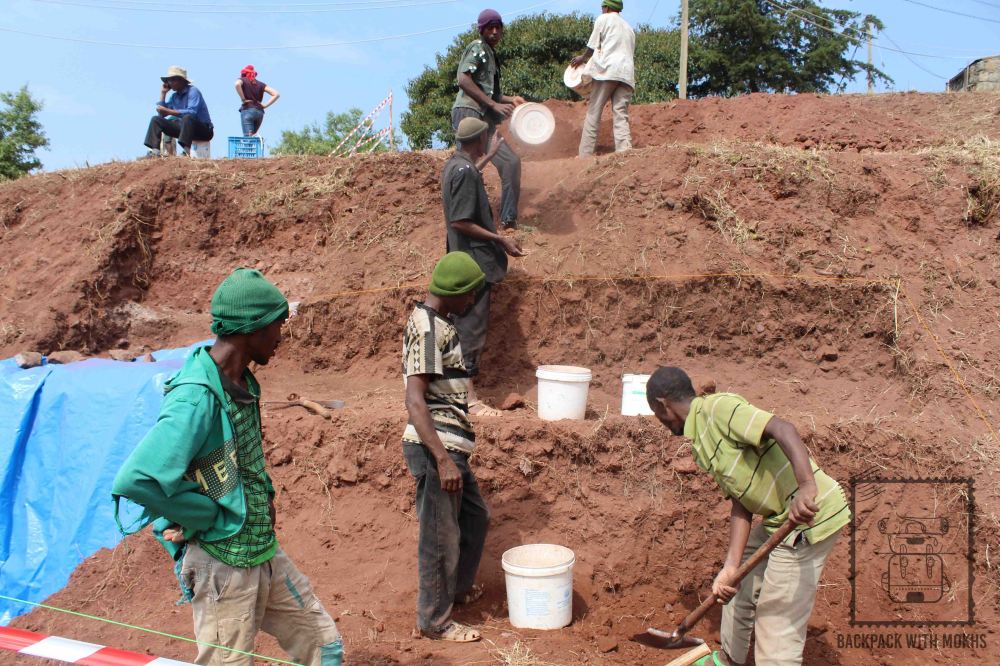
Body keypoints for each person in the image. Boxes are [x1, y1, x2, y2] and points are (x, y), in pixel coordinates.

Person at [111, 268, 343, 666]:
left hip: (260, 549)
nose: (281, 338)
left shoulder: (242, 384)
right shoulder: (196, 398)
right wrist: (205, 515)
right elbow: (136, 479)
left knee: (324, 647)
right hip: (222, 563)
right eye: (277, 326)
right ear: (252, 329)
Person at [645, 367, 850, 666]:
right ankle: (729, 659)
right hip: (778, 519)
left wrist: (807, 486)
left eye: (656, 413)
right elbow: (741, 501)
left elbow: (783, 429)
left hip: (808, 518)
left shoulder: (719, 408)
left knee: (775, 616)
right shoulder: (701, 441)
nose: (659, 422)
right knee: (736, 587)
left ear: (663, 405)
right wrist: (730, 567)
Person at [402, 252, 493, 642]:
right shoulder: (427, 329)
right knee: (439, 537)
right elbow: (415, 400)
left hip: (450, 446)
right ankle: (435, 621)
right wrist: (441, 459)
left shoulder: (439, 323)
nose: (472, 303)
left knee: (475, 518)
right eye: (470, 295)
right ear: (455, 292)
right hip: (437, 448)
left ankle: (454, 592)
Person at [442, 116, 525, 416]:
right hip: (473, 264)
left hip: (462, 260)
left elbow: (468, 179)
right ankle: (468, 399)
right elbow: (460, 221)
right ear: (478, 139)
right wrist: (500, 240)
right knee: (470, 331)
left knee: (463, 329)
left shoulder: (455, 166)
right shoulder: (463, 171)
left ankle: (459, 394)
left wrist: (488, 156)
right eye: (485, 139)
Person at [452, 8, 526, 229]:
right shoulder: (477, 48)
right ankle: (462, 217)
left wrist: (512, 99)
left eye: (498, 27)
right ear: (482, 30)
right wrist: (494, 104)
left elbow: (492, 95)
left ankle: (508, 219)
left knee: (511, 162)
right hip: (468, 112)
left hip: (484, 118)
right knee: (467, 166)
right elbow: (463, 79)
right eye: (490, 28)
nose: (495, 31)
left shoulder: (491, 56)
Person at [571, 0, 635, 156]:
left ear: (607, 7)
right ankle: (624, 152)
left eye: (602, 7)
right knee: (620, 113)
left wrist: (582, 58)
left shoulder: (603, 19)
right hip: (626, 74)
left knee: (594, 111)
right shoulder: (629, 28)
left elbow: (592, 46)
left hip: (608, 71)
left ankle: (584, 154)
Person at [143, 66, 214, 157]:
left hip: (203, 130)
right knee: (155, 120)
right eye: (169, 80)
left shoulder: (193, 91)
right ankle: (155, 152)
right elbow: (161, 115)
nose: (170, 83)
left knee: (187, 117)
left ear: (182, 81)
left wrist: (169, 111)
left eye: (173, 80)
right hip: (185, 129)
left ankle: (186, 151)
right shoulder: (174, 97)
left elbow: (192, 112)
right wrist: (163, 94)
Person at [234, 65, 280, 137]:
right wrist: (265, 106)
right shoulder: (261, 84)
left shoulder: (242, 79)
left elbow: (237, 84)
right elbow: (276, 94)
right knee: (253, 138)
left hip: (248, 110)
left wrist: (243, 99)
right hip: (259, 113)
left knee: (248, 138)